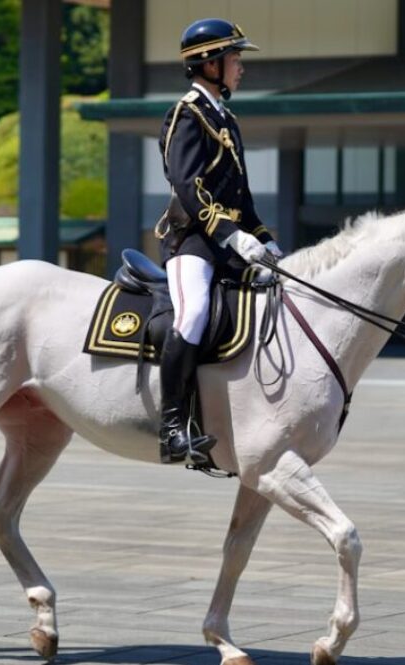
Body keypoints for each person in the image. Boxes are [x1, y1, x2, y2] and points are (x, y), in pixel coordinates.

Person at [152, 18, 282, 464]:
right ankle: (171, 428)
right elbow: (187, 186)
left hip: (227, 244)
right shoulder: (186, 114)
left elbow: (240, 195)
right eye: (235, 59)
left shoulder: (226, 117)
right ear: (209, 64)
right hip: (191, 241)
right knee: (193, 315)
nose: (240, 67)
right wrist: (229, 234)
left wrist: (263, 238)